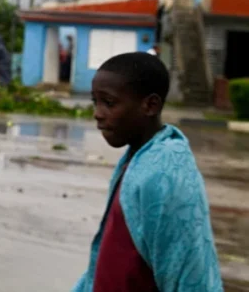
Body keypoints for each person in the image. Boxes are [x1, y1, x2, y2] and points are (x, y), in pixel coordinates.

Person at [73, 52, 222, 292]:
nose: (98, 113)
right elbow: (108, 258)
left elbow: (186, 269)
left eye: (109, 103)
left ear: (150, 105)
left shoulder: (165, 173)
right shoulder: (136, 159)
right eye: (95, 102)